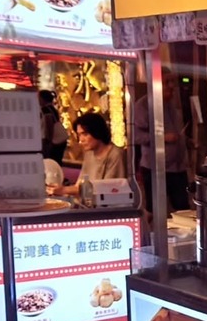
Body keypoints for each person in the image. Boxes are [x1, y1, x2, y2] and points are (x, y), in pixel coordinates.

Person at [134, 67, 190, 213]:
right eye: (167, 82)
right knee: (156, 210)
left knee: (183, 210)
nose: (171, 86)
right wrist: (163, 138)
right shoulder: (143, 106)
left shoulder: (172, 104)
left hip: (178, 167)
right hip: (155, 167)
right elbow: (137, 136)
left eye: (172, 82)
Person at [47, 112, 126, 197]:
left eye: (85, 134)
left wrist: (64, 190)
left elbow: (107, 189)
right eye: (79, 135)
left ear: (97, 132)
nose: (81, 140)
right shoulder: (89, 153)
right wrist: (61, 189)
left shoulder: (115, 155)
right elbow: (79, 185)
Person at [39, 90, 68, 166]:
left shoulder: (46, 110)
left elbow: (49, 126)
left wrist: (48, 142)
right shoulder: (52, 108)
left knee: (51, 163)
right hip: (60, 140)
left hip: (53, 141)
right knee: (57, 161)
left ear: (42, 98)